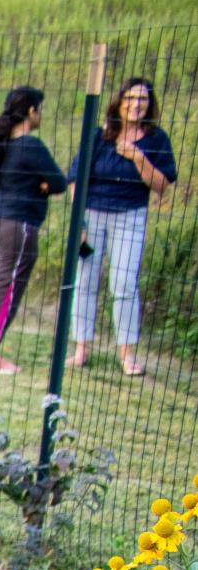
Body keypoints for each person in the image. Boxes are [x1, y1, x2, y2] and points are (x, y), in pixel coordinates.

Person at [67, 76, 177, 377]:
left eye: (142, 99)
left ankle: (127, 355)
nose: (136, 105)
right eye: (130, 98)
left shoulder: (156, 140)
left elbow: (162, 185)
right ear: (119, 101)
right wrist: (80, 223)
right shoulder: (99, 136)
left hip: (129, 217)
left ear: (149, 104)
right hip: (92, 216)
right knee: (84, 280)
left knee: (124, 284)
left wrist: (139, 158)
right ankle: (81, 349)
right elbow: (76, 177)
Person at [0, 86, 68, 375]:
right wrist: (44, 185)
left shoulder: (3, 146)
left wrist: (43, 183)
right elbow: (60, 182)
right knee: (8, 287)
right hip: (18, 226)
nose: (42, 114)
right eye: (41, 108)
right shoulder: (30, 146)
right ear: (31, 111)